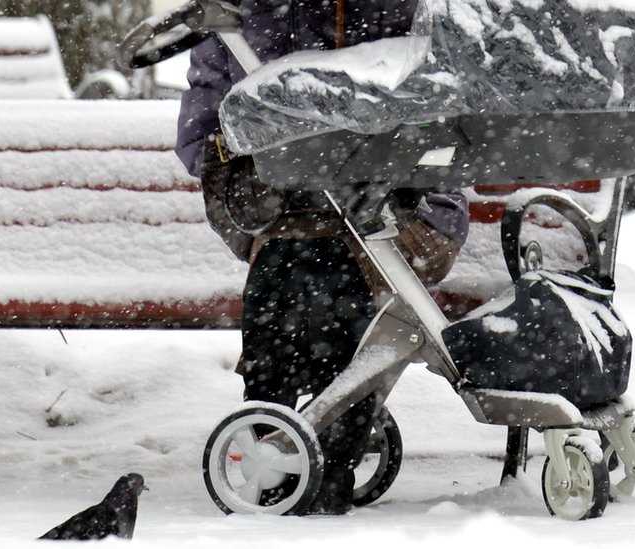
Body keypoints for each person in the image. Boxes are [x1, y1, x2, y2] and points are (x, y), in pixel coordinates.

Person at [175, 0, 469, 515]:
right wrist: (273, 147)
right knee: (299, 267)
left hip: (406, 213)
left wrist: (357, 154)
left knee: (318, 270)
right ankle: (302, 437)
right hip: (286, 219)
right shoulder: (237, 15)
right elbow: (201, 141)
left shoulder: (409, 10)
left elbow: (443, 128)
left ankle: (291, 443)